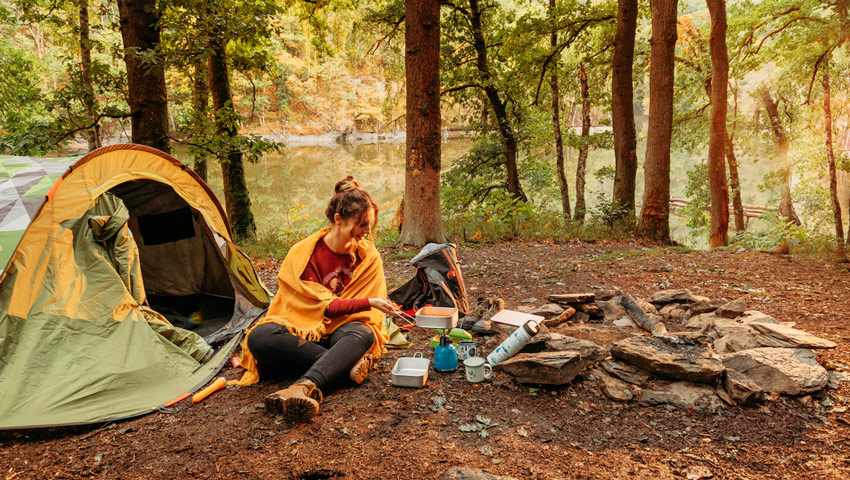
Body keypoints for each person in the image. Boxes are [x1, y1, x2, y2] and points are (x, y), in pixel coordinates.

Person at [230, 176, 396, 423]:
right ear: (338, 219)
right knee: (259, 337)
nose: (368, 231)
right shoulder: (304, 254)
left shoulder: (368, 256)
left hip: (343, 329)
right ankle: (342, 364)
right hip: (302, 327)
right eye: (361, 224)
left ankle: (304, 385)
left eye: (370, 224)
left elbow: (367, 318)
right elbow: (324, 307)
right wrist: (369, 302)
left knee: (364, 334)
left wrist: (371, 305)